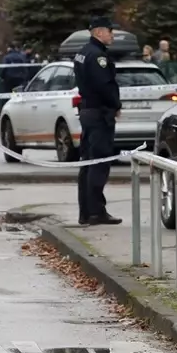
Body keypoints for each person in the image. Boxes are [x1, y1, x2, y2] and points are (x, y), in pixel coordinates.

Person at [73, 17, 123, 226]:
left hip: (88, 112)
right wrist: (115, 105)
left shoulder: (83, 53)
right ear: (99, 32)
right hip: (99, 113)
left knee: (88, 162)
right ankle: (95, 211)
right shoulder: (97, 56)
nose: (112, 35)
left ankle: (86, 211)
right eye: (110, 31)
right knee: (99, 163)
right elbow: (105, 85)